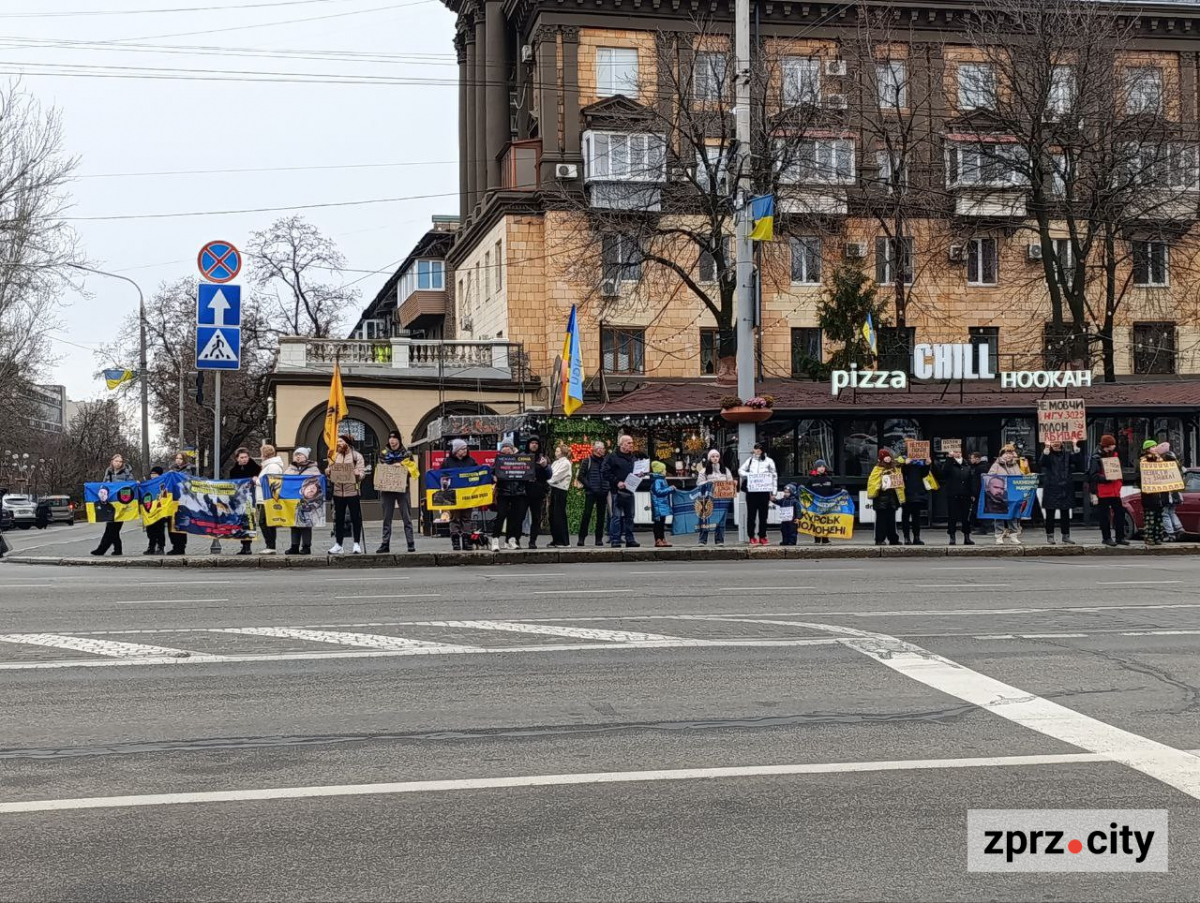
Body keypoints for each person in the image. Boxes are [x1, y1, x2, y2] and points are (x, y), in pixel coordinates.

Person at [374, 431, 416, 554]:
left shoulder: (407, 454)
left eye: (394, 438)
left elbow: (413, 471)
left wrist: (403, 467)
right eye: (390, 438)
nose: (392, 441)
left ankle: (410, 543)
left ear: (399, 440)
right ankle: (385, 543)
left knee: (406, 516)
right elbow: (380, 468)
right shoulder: (383, 453)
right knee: (387, 518)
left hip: (402, 489)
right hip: (387, 490)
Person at [90, 453, 134, 557]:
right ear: (112, 461)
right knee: (112, 528)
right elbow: (104, 485)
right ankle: (117, 549)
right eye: (116, 461)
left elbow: (130, 485)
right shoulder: (108, 472)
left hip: (121, 504)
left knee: (112, 528)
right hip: (111, 503)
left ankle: (101, 549)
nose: (118, 463)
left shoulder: (127, 473)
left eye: (120, 461)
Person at [1088, 433, 1128, 547]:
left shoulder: (1114, 455)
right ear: (1107, 445)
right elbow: (1093, 475)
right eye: (1112, 444)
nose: (1114, 446)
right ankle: (1107, 538)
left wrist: (1118, 483)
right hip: (1104, 491)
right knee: (1104, 516)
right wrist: (1107, 479)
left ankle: (1120, 537)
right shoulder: (1096, 458)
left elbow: (1119, 472)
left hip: (1114, 490)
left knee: (1120, 514)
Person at [1039, 440, 1082, 545]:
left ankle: (1066, 536)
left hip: (1065, 487)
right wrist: (1046, 450)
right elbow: (1041, 463)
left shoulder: (1067, 454)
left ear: (1061, 443)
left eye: (1057, 442)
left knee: (1065, 514)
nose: (1055, 444)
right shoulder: (1048, 454)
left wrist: (1075, 447)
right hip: (1051, 487)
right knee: (1050, 514)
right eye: (1053, 443)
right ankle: (1050, 536)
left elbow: (1079, 463)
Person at [329, 434, 365, 554]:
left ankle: (356, 544)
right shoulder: (335, 456)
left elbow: (362, 474)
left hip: (352, 492)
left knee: (355, 518)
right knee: (338, 519)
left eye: (341, 442)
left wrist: (357, 474)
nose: (338, 444)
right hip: (338, 492)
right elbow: (331, 473)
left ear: (347, 444)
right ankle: (338, 544)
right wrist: (328, 472)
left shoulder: (356, 456)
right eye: (338, 442)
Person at [440, 439, 478, 550]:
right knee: (455, 518)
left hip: (467, 494)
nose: (465, 450)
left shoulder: (471, 461)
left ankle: (467, 541)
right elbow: (441, 475)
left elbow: (477, 473)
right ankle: (455, 540)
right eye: (462, 448)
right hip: (454, 495)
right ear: (456, 450)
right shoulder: (447, 462)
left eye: (466, 448)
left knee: (467, 518)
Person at [602, 435, 640, 548]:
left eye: (632, 443)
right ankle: (615, 539)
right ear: (621, 444)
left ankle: (630, 539)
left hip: (630, 490)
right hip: (616, 491)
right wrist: (617, 482)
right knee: (616, 516)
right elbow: (605, 472)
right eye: (628, 443)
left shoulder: (633, 458)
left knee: (630, 516)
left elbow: (636, 472)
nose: (631, 445)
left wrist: (640, 474)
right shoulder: (612, 457)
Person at [491, 441, 528, 550]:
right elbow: (491, 471)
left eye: (508, 452)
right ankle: (495, 538)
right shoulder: (498, 461)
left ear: (512, 450)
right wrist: (493, 476)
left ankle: (510, 539)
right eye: (504, 453)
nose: (506, 455)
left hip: (518, 491)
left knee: (515, 517)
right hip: (503, 491)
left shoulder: (520, 459)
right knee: (501, 515)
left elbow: (527, 471)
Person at [284, 447, 320, 555]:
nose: (298, 456)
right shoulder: (290, 468)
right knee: (294, 523)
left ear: (306, 456)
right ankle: (294, 546)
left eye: (301, 454)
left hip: (307, 500)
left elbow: (317, 482)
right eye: (297, 455)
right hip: (293, 500)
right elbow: (284, 480)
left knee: (306, 523)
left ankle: (306, 546)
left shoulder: (313, 469)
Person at [935, 449, 976, 546]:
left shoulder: (967, 464)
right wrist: (949, 458)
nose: (957, 454)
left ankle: (967, 537)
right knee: (952, 517)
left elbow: (971, 480)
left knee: (966, 517)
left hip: (966, 494)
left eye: (959, 452)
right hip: (953, 494)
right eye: (955, 452)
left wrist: (973, 493)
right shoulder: (949, 464)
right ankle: (952, 537)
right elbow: (943, 473)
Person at [696, 448, 734, 546]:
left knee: (721, 520)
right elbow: (699, 483)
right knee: (705, 519)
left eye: (717, 456)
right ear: (709, 458)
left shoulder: (725, 470)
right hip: (708, 500)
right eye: (713, 456)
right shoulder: (704, 471)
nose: (715, 458)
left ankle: (719, 540)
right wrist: (709, 482)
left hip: (722, 500)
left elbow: (730, 482)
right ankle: (702, 540)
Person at [741, 442, 777, 545]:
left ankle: (762, 536)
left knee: (763, 515)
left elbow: (774, 476)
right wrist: (750, 475)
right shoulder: (750, 460)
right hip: (752, 492)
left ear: (763, 450)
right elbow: (741, 471)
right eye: (755, 448)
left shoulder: (769, 461)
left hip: (764, 492)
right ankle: (751, 536)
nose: (757, 451)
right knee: (751, 515)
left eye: (759, 449)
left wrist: (773, 492)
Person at [988, 445, 1024, 545]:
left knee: (1013, 515)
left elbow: (1020, 477)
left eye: (1010, 453)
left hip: (1013, 494)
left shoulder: (1015, 464)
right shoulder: (996, 465)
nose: (1008, 455)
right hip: (1000, 494)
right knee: (999, 515)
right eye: (1006, 453)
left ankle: (1013, 536)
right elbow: (990, 477)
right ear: (1002, 454)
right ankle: (999, 536)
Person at [574, 441, 609, 547]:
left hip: (603, 492)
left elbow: (608, 474)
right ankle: (582, 538)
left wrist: (607, 486)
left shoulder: (605, 461)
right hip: (591, 492)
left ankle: (599, 538)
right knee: (587, 514)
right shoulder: (587, 461)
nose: (603, 450)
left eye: (603, 448)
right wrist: (590, 486)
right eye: (602, 448)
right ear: (596, 450)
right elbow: (581, 476)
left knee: (601, 516)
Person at [866, 448, 903, 546]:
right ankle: (879, 539)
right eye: (885, 457)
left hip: (891, 498)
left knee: (891, 520)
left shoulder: (894, 467)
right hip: (881, 498)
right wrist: (882, 481)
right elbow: (873, 482)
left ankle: (893, 539)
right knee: (881, 521)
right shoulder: (877, 469)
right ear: (881, 458)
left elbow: (901, 462)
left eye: (888, 457)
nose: (887, 459)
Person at [228, 447, 261, 556]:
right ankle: (243, 545)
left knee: (249, 522)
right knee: (241, 523)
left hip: (250, 499)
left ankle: (248, 546)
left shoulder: (256, 469)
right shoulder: (233, 470)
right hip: (239, 500)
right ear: (237, 458)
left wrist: (255, 478)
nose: (244, 459)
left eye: (246, 457)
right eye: (242, 457)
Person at [256, 443, 285, 555]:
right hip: (266, 497)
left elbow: (269, 482)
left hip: (268, 498)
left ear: (265, 455)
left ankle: (270, 545)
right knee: (268, 522)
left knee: (264, 521)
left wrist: (256, 481)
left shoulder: (272, 466)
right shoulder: (270, 466)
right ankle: (270, 545)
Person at [524, 435, 552, 549]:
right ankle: (514, 540)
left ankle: (532, 541)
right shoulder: (522, 457)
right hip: (524, 492)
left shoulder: (543, 458)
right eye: (532, 443)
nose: (534, 445)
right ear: (528, 445)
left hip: (538, 492)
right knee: (519, 517)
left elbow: (549, 475)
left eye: (536, 443)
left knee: (536, 518)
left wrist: (545, 467)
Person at [1139, 439, 1167, 548]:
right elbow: (1141, 475)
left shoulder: (1160, 459)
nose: (1155, 448)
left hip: (1159, 494)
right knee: (1150, 518)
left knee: (1159, 518)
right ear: (1147, 449)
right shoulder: (1143, 460)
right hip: (1149, 495)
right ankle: (1149, 537)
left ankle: (1158, 537)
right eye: (1153, 447)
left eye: (1156, 446)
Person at [899, 453, 930, 546]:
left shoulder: (919, 462)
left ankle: (917, 537)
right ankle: (907, 537)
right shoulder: (903, 460)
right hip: (906, 493)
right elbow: (900, 473)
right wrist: (905, 464)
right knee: (906, 517)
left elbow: (924, 474)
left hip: (917, 493)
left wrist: (927, 465)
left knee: (916, 517)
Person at [1156, 442, 1185, 541]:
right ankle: (1179, 528)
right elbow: (1184, 472)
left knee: (1165, 513)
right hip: (1176, 491)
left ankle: (1170, 533)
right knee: (1172, 512)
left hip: (1167, 493)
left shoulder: (1163, 463)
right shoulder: (1176, 462)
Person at [165, 452, 192, 556]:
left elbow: (189, 482)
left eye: (180, 458)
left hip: (183, 501)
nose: (178, 460)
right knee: (171, 524)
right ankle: (174, 545)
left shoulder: (189, 470)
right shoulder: (172, 470)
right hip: (172, 500)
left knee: (180, 524)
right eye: (177, 458)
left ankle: (180, 547)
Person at [547, 443, 572, 548]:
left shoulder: (566, 463)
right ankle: (555, 538)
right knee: (552, 515)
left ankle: (563, 540)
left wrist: (547, 480)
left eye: (557, 451)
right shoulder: (555, 462)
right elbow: (550, 473)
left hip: (561, 490)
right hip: (554, 489)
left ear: (562, 452)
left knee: (559, 515)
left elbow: (556, 476)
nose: (556, 453)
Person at [806, 460, 836, 545]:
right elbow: (807, 491)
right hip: (815, 505)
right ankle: (817, 539)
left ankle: (825, 539)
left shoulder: (829, 479)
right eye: (820, 467)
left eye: (823, 466)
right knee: (816, 522)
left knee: (826, 522)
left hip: (826, 504)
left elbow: (832, 491)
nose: (822, 468)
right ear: (816, 468)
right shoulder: (811, 479)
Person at [142, 465, 167, 555]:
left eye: (155, 474)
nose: (153, 475)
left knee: (159, 529)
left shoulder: (163, 484)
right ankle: (151, 547)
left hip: (160, 510)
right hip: (150, 510)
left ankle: (161, 547)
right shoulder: (148, 484)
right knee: (150, 530)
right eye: (152, 474)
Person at [649, 460, 673, 547]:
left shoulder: (662, 480)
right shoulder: (657, 481)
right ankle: (658, 539)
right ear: (660, 471)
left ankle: (662, 539)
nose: (665, 471)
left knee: (662, 523)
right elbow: (658, 492)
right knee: (658, 523)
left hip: (662, 504)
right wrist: (670, 489)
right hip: (658, 505)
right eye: (664, 470)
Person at [773, 482, 799, 546]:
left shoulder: (795, 501)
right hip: (784, 519)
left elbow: (798, 510)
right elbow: (778, 502)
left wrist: (798, 518)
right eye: (785, 492)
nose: (786, 493)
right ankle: (785, 541)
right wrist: (773, 500)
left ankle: (792, 541)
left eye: (788, 492)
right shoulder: (783, 500)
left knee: (792, 531)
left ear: (792, 492)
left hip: (792, 520)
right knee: (784, 530)